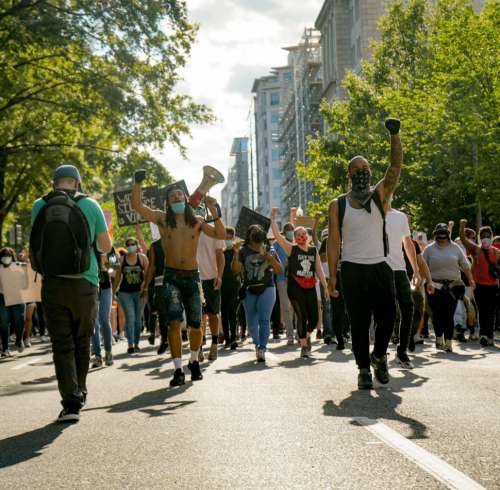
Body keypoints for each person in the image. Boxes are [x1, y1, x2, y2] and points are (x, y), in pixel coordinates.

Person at [30, 164, 112, 423]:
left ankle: (71, 402)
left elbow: (36, 244)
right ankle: (81, 390)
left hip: (53, 283)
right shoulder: (90, 204)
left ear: (55, 183)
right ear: (77, 183)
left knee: (61, 345)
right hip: (85, 283)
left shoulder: (38, 205)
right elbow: (105, 246)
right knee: (82, 341)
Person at [327, 118, 402, 390]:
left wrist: (395, 136)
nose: (362, 172)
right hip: (352, 270)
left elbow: (395, 167)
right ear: (349, 174)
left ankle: (379, 355)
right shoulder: (338, 205)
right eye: (356, 169)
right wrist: (331, 278)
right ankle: (362, 370)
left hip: (380, 267)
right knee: (358, 323)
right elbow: (333, 242)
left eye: (366, 168)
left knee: (389, 317)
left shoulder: (380, 196)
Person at [131, 171, 226, 386]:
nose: (176, 198)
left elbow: (220, 235)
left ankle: (193, 361)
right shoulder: (162, 220)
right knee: (174, 323)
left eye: (179, 195)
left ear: (185, 199)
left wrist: (216, 214)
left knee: (195, 325)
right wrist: (137, 182)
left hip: (192, 278)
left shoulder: (198, 222)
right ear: (167, 202)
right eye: (172, 196)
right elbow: (137, 205)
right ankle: (177, 369)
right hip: (171, 277)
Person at [271, 209, 328, 358]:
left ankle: (304, 335)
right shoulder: (292, 249)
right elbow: (277, 235)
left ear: (308, 237)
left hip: (310, 286)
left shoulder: (313, 250)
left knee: (314, 319)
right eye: (298, 234)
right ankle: (303, 345)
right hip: (295, 287)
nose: (302, 236)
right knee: (301, 316)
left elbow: (319, 269)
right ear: (295, 238)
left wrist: (325, 286)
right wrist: (273, 217)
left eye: (304, 234)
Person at [232, 224, 282, 363]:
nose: (257, 234)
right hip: (249, 289)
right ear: (249, 236)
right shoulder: (243, 251)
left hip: (267, 288)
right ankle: (257, 343)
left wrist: (269, 258)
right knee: (252, 323)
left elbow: (280, 270)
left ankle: (262, 348)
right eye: (254, 232)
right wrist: (236, 254)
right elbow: (236, 270)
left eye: (259, 232)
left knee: (264, 320)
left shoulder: (270, 249)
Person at [423, 223, 475, 352]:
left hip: (453, 287)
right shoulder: (429, 249)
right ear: (435, 234)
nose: (442, 237)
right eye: (439, 234)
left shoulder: (456, 248)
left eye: (444, 234)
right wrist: (418, 278)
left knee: (449, 314)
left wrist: (471, 279)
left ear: (448, 235)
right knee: (437, 315)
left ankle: (448, 341)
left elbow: (465, 265)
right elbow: (422, 265)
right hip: (434, 287)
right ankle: (439, 337)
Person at [385, 208, 426, 369]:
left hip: (399, 270)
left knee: (408, 307)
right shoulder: (371, 213)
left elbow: (408, 243)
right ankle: (380, 352)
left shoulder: (399, 217)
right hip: (380, 269)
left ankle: (402, 352)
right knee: (385, 311)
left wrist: (415, 270)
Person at [459, 219, 499, 346]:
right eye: (483, 236)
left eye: (488, 236)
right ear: (479, 237)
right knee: (482, 310)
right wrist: (462, 226)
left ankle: (490, 335)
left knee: (491, 311)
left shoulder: (497, 252)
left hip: (493, 286)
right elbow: (463, 240)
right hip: (479, 286)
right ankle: (483, 335)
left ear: (491, 237)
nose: (485, 238)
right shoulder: (475, 249)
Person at [113, 237, 149, 354]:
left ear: (137, 245)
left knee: (138, 319)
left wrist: (145, 286)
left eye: (133, 244)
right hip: (125, 293)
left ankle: (137, 343)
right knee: (130, 316)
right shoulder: (122, 259)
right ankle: (130, 344)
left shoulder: (142, 258)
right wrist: (112, 291)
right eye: (128, 244)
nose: (130, 246)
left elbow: (148, 273)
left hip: (140, 293)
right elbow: (118, 276)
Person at [197, 226, 225, 360]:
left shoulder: (214, 231)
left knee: (213, 315)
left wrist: (219, 276)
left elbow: (220, 254)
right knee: (197, 316)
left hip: (211, 278)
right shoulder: (186, 229)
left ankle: (214, 344)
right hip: (194, 279)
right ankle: (199, 346)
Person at [91, 249, 118, 368]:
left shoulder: (107, 246)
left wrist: (109, 267)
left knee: (104, 320)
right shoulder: (86, 242)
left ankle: (108, 352)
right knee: (94, 323)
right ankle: (97, 356)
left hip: (105, 286)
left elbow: (115, 265)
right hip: (90, 286)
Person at [143, 238, 169, 354]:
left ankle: (172, 337)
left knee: (174, 315)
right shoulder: (154, 245)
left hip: (176, 280)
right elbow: (152, 266)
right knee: (162, 314)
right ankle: (164, 339)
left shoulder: (177, 238)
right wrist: (146, 286)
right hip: (159, 283)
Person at [0, 248, 27, 355]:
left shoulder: (18, 266)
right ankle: (5, 348)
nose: (6, 258)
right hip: (2, 298)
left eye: (8, 255)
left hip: (17, 297)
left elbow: (25, 282)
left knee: (19, 320)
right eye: (3, 255)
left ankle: (19, 339)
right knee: (4, 322)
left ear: (12, 256)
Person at [273, 222, 295, 345]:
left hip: (296, 279)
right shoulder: (277, 244)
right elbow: (271, 258)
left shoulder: (296, 243)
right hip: (281, 279)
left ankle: (299, 333)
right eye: (288, 230)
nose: (290, 232)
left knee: (296, 307)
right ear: (284, 232)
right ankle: (290, 334)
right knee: (286, 307)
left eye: (292, 230)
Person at [221, 227, 241, 350]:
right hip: (223, 285)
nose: (228, 240)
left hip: (235, 285)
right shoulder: (221, 253)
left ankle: (234, 338)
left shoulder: (237, 252)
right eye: (226, 238)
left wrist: (237, 253)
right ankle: (227, 339)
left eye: (230, 238)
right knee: (224, 312)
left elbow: (239, 268)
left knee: (233, 311)